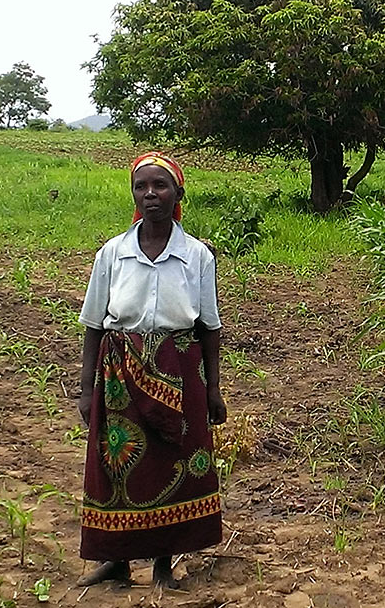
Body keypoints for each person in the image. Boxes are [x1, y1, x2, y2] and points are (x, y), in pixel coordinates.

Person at [75, 152, 226, 589]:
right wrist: (86, 389)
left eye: (160, 185)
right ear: (133, 195)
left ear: (178, 194)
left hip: (180, 368)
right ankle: (117, 561)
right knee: (117, 465)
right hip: (118, 374)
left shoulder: (196, 256)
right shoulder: (112, 254)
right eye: (141, 186)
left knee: (173, 464)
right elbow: (93, 324)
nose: (150, 194)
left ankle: (164, 563)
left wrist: (213, 390)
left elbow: (210, 327)